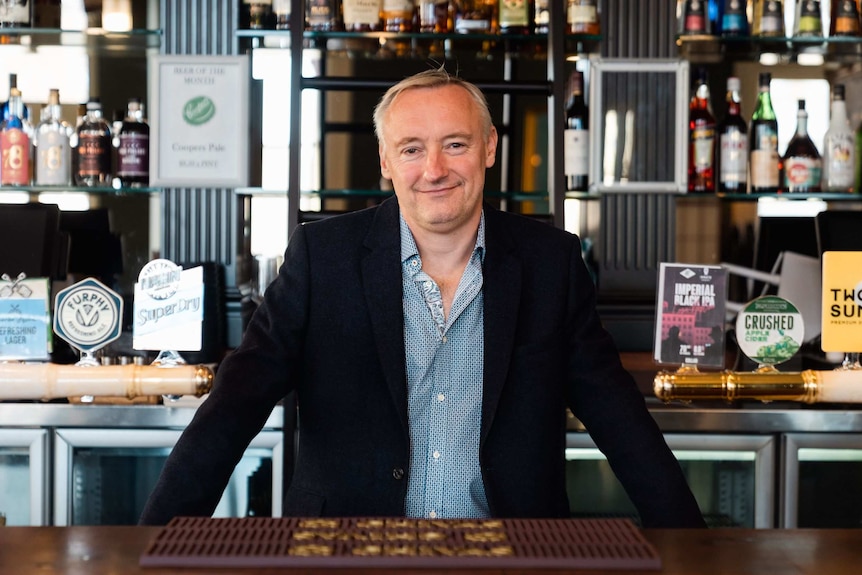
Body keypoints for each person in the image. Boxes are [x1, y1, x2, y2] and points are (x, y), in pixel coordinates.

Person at [140, 67, 706, 528]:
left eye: (454, 144)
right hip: (348, 554)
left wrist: (692, 544)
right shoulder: (323, 257)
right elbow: (235, 403)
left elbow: (618, 416)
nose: (433, 170)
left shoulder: (549, 262)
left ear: (488, 147)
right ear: (385, 162)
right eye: (411, 149)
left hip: (514, 554)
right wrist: (156, 540)